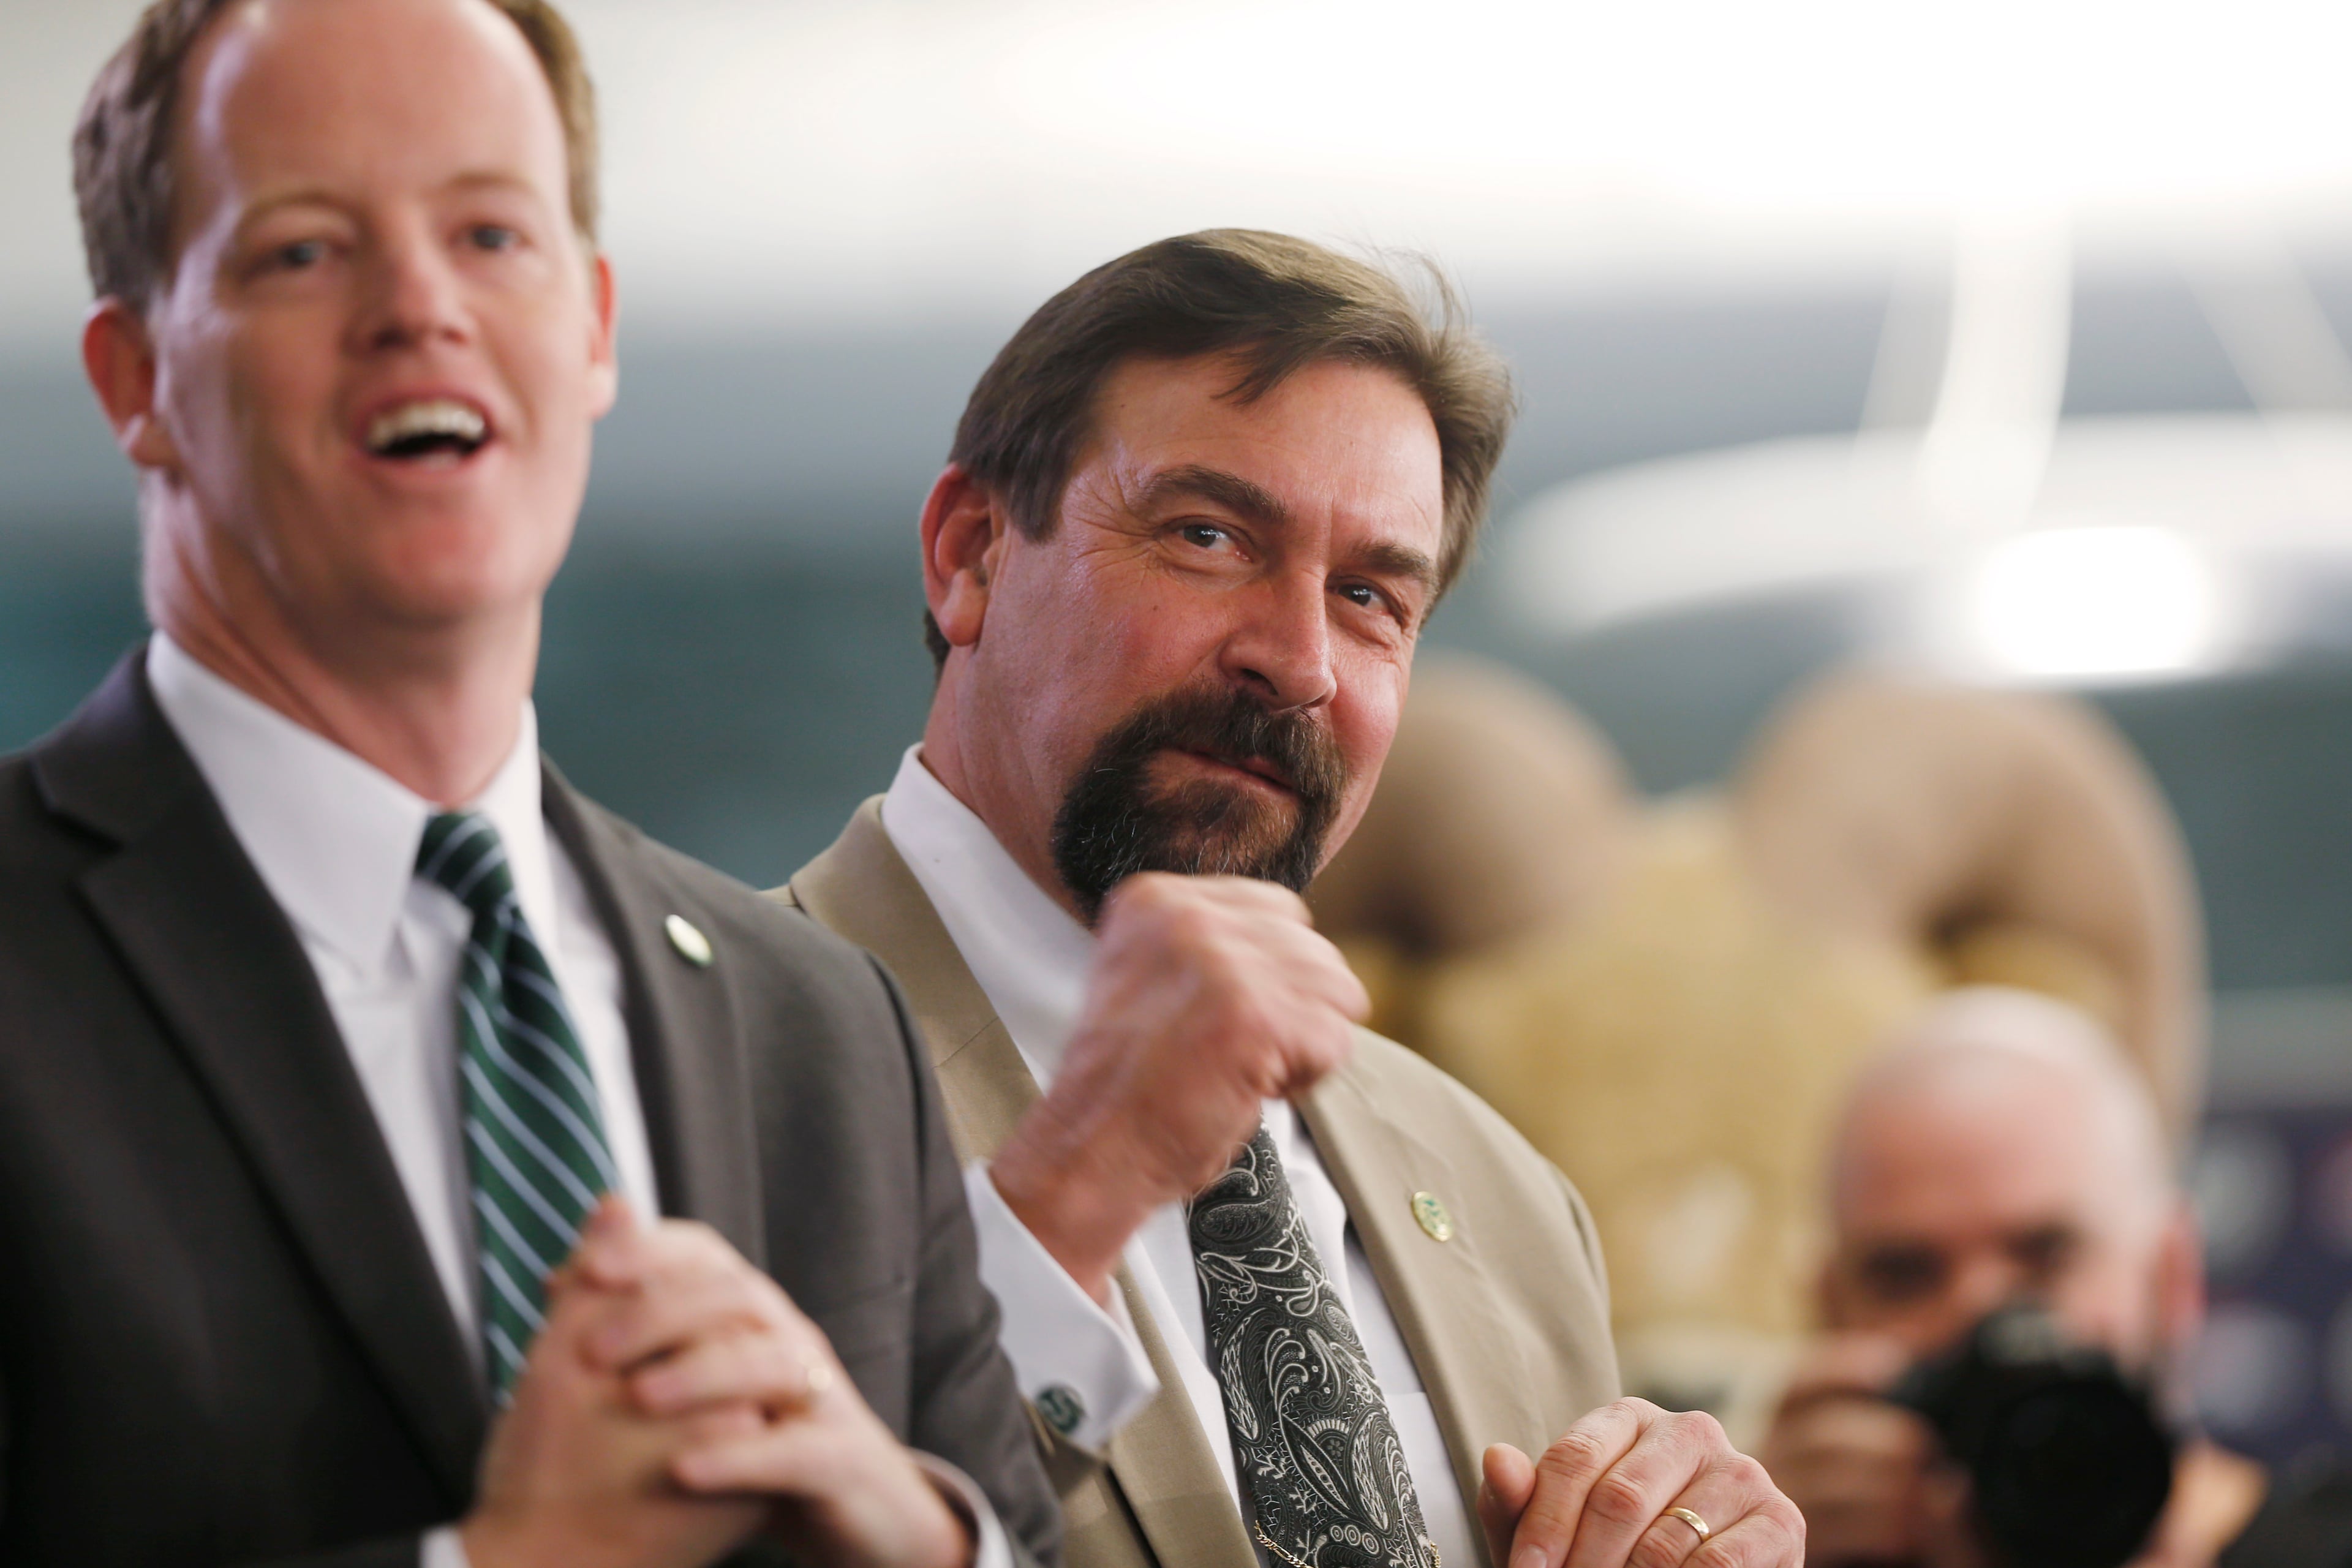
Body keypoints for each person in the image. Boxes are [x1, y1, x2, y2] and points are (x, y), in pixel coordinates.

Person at [0, 1, 1058, 1564]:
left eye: (490, 234)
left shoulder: (824, 1027)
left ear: (593, 328)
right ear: (135, 377)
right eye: (302, 250)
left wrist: (917, 1535)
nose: (419, 306)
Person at [779, 230, 1805, 1568]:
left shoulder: (1506, 1196)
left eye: (1371, 595)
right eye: (1208, 536)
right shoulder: (669, 1054)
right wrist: (1085, 1176)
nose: (1300, 661)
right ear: (971, 552)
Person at [1757, 986, 2352, 1567]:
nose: (1979, 1308)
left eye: (2048, 1256)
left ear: (2170, 1277)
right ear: (1830, 1313)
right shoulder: (1791, 1547)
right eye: (1906, 1277)